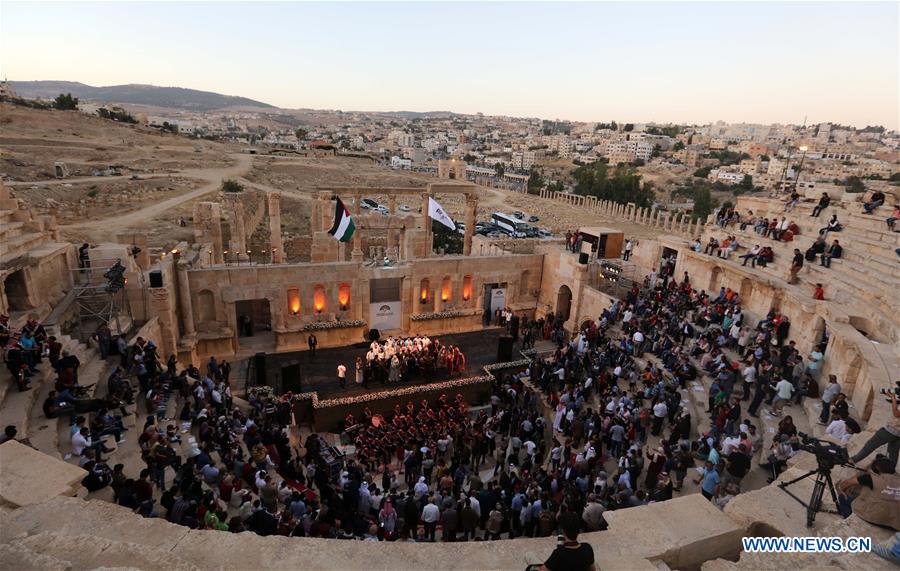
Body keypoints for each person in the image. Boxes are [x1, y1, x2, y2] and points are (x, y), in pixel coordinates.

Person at [849, 390, 900, 470]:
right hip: (898, 434)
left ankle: (853, 460)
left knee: (870, 445)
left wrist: (893, 398)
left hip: (891, 430)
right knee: (893, 453)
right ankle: (891, 470)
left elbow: (896, 413)